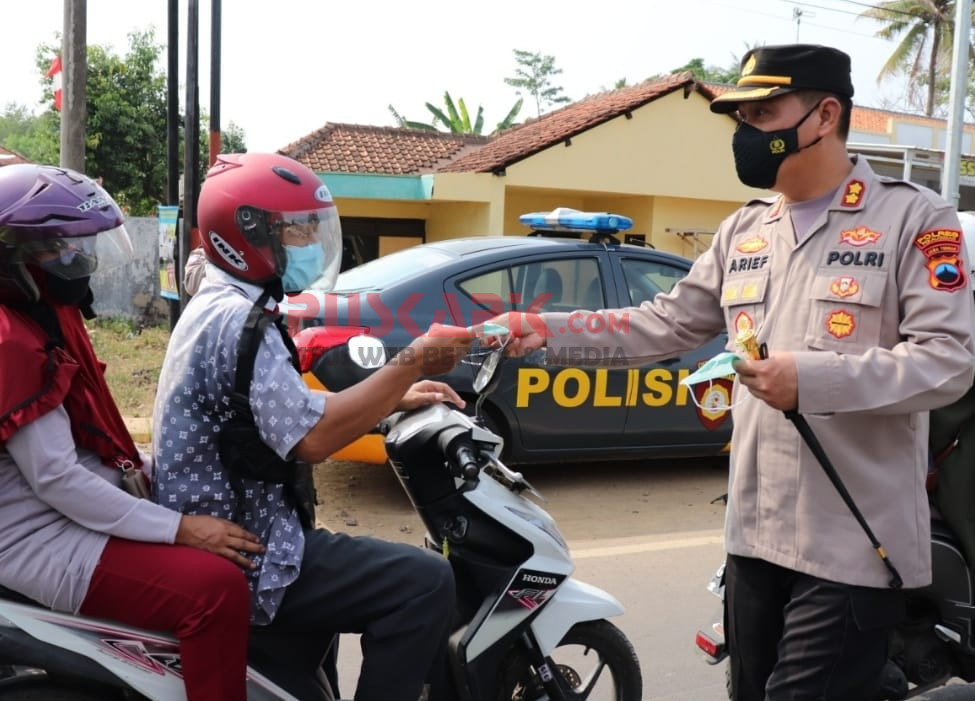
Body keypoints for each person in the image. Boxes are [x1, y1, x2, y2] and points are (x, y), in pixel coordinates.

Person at [486, 44, 975, 700]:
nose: (745, 132)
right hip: (753, 539)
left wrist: (813, 378)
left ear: (824, 115)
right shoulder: (744, 231)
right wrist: (547, 331)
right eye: (741, 117)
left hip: (855, 544)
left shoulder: (912, 218)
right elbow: (663, 323)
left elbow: (947, 362)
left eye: (762, 113)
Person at [152, 152, 473, 701]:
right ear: (247, 234)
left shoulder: (223, 301)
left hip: (250, 529)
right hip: (249, 550)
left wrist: (394, 397)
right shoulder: (239, 321)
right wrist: (412, 362)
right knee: (424, 582)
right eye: (296, 230)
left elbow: (283, 407)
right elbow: (313, 438)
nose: (307, 241)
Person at [0, 163, 264, 700]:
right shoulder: (10, 342)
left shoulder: (43, 317)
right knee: (215, 591)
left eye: (73, 244)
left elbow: (86, 441)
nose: (74, 258)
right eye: (54, 249)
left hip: (64, 512)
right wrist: (180, 529)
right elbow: (56, 478)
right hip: (37, 537)